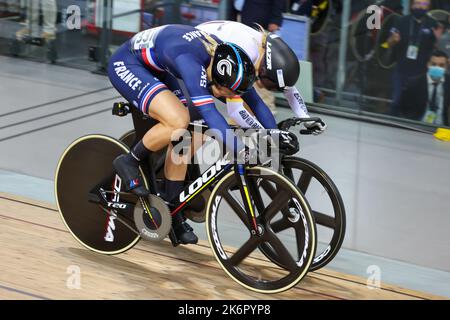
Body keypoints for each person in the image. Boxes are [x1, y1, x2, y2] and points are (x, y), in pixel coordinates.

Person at [107, 24, 277, 245]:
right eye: (227, 93)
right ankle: (129, 161)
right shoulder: (190, 61)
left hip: (161, 65)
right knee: (179, 121)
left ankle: (173, 212)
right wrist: (240, 150)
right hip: (129, 63)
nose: (230, 98)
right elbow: (210, 112)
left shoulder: (229, 61)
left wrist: (274, 136)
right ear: (216, 79)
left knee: (189, 135)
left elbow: (255, 102)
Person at [196, 20, 327, 133]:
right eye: (270, 85)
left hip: (218, 51)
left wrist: (306, 118)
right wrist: (266, 134)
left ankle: (236, 152)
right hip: (197, 60)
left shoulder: (269, 55)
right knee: (201, 126)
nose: (270, 89)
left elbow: (288, 88)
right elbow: (235, 110)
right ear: (264, 71)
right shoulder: (248, 53)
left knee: (251, 109)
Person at [387, 0, 443, 117]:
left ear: (428, 7)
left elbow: (438, 51)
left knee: (417, 107)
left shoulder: (433, 24)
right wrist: (393, 40)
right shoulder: (401, 21)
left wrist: (438, 40)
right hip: (401, 70)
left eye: (424, 4)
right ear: (412, 5)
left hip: (421, 74)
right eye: (418, 3)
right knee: (396, 103)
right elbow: (388, 43)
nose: (420, 7)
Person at [398, 50, 450, 126]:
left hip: (443, 131)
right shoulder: (414, 83)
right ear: (428, 64)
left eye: (441, 65)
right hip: (417, 128)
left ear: (446, 67)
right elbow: (404, 110)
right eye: (433, 64)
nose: (437, 68)